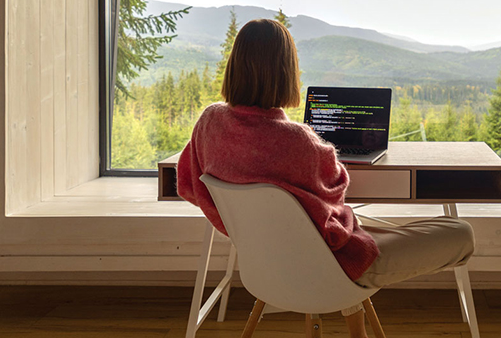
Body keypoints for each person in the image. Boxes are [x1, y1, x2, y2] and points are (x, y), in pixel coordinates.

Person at [175, 18, 474, 315]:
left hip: (264, 269)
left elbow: (190, 180)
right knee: (460, 232)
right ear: (286, 71)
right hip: (336, 267)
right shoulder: (299, 142)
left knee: (371, 229)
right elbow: (335, 190)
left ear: (235, 66)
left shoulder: (209, 122)